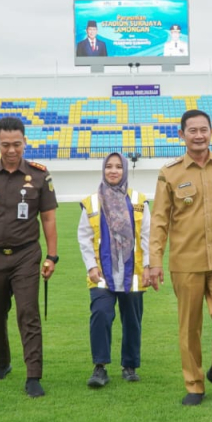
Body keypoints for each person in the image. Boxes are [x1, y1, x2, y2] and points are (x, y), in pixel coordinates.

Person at [145, 109, 212, 406]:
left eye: (204, 129)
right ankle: (194, 384)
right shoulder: (170, 172)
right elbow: (160, 220)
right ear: (181, 135)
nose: (199, 135)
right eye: (192, 130)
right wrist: (154, 262)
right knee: (190, 327)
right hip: (186, 262)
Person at [0, 117, 59, 398]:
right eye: (5, 145)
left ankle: (33, 375)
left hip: (27, 255)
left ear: (25, 142)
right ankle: (2, 362)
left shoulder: (40, 175)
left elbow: (49, 219)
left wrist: (52, 256)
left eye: (17, 144)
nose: (11, 150)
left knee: (28, 313)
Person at [77, 152, 150, 387]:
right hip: (102, 272)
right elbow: (84, 237)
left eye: (119, 167)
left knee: (132, 320)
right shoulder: (92, 202)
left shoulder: (139, 199)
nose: (114, 171)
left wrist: (148, 266)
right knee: (100, 315)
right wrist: (90, 266)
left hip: (133, 273)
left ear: (125, 170)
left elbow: (147, 237)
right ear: (103, 170)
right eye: (109, 166)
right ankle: (100, 367)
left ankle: (130, 366)